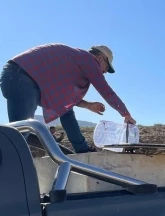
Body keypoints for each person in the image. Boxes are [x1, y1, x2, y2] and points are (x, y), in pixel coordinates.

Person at [0, 43, 136, 153]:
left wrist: (88, 105)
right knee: (18, 136)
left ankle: (82, 150)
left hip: (20, 77)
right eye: (106, 67)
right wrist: (126, 114)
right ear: (100, 58)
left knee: (63, 113)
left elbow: (64, 102)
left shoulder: (75, 60)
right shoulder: (89, 60)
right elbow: (106, 91)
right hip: (21, 76)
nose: (105, 72)